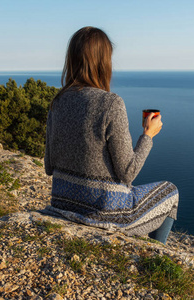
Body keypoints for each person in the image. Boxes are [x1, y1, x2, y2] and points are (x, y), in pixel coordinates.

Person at [44, 26, 179, 244]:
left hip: (62, 203)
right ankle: (156, 253)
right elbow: (128, 173)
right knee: (170, 192)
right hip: (103, 212)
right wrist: (148, 135)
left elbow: (49, 166)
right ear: (103, 62)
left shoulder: (58, 102)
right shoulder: (111, 103)